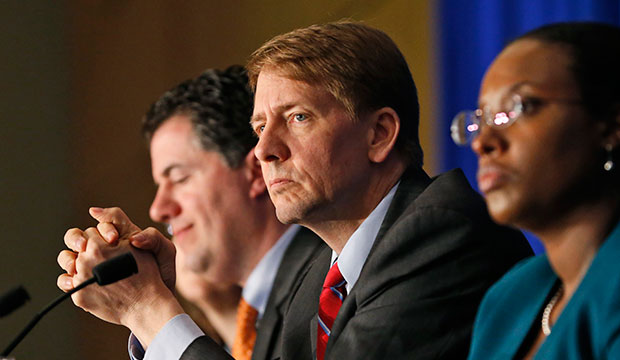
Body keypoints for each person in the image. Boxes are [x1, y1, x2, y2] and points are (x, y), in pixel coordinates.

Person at [58, 22, 532, 360]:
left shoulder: (442, 234)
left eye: (297, 118)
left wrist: (148, 310)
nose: (263, 150)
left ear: (379, 134)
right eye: (260, 126)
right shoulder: (316, 274)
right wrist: (161, 298)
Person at [57, 66, 324, 360]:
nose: (159, 209)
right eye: (160, 185)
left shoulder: (329, 288)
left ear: (255, 174)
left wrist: (145, 307)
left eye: (180, 178)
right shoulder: (261, 313)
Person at [449, 22, 620, 359]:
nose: (483, 142)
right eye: (482, 119)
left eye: (521, 107)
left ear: (611, 127)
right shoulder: (510, 296)